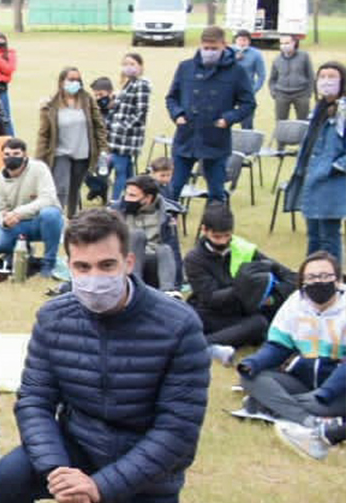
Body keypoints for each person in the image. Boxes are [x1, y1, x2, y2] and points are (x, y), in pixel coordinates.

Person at [0, 208, 208, 503]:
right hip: (78, 444)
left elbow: (176, 433)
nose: (94, 277)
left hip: (145, 471)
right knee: (7, 477)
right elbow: (34, 400)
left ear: (129, 262)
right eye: (82, 267)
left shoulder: (180, 326)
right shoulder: (54, 318)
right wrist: (57, 470)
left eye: (106, 265)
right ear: (67, 265)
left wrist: (100, 486)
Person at [234, 252, 344, 425]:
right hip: (302, 382)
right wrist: (254, 363)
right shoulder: (295, 302)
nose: (318, 282)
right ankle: (310, 420)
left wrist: (326, 393)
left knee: (317, 401)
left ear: (338, 280)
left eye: (325, 276)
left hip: (337, 390)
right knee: (251, 378)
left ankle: (269, 405)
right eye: (311, 277)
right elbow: (279, 346)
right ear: (302, 282)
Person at [183, 203, 293, 358]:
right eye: (217, 236)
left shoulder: (242, 249)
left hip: (244, 309)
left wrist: (272, 299)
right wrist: (242, 287)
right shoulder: (194, 259)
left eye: (227, 236)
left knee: (271, 315)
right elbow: (210, 298)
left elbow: (289, 277)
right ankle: (201, 345)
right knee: (258, 324)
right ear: (204, 230)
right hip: (211, 313)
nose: (222, 242)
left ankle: (212, 343)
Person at [164, 26, 253, 205]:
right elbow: (172, 97)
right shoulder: (185, 67)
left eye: (214, 49)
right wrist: (177, 115)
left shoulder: (237, 72)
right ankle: (167, 226)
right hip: (187, 136)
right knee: (173, 188)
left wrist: (228, 119)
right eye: (206, 48)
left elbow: (248, 103)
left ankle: (216, 227)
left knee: (216, 191)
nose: (209, 52)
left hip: (215, 138)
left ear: (224, 45)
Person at [284, 61, 345, 261]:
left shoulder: (343, 112)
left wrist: (334, 167)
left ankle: (332, 280)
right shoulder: (319, 109)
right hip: (311, 179)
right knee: (314, 236)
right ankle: (311, 276)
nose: (326, 82)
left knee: (329, 237)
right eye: (322, 77)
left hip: (331, 182)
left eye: (332, 77)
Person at [0, 136, 65, 281]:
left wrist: (18, 212)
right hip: (17, 224)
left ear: (25, 155)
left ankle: (49, 262)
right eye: (7, 154)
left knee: (51, 214)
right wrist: (5, 222)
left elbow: (48, 198)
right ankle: (23, 252)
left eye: (16, 154)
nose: (11, 158)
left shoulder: (39, 168)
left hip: (41, 220)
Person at [34, 66, 107, 217]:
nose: (75, 83)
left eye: (78, 80)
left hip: (82, 153)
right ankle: (56, 219)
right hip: (61, 152)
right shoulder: (51, 104)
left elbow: (98, 125)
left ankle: (73, 219)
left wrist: (102, 149)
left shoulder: (87, 100)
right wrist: (39, 159)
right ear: (61, 82)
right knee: (61, 188)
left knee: (75, 189)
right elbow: (44, 134)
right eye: (71, 79)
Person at [121, 175, 182, 292]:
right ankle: (134, 285)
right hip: (126, 260)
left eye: (132, 196)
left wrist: (178, 281)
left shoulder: (166, 215)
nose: (127, 199)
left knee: (165, 249)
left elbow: (174, 250)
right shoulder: (118, 211)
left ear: (148, 198)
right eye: (126, 194)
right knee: (136, 235)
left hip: (154, 260)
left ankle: (169, 292)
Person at [104, 52, 151, 203]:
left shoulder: (142, 85)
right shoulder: (128, 84)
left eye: (132, 64)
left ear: (140, 66)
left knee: (120, 170)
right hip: (116, 137)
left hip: (127, 137)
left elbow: (140, 112)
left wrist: (121, 127)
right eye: (125, 64)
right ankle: (135, 198)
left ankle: (116, 202)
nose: (128, 68)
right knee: (127, 171)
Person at [269, 35, 315, 123]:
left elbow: (310, 75)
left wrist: (308, 92)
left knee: (304, 121)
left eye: (287, 43)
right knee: (281, 121)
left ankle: (303, 137)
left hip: (301, 94)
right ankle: (282, 137)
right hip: (281, 94)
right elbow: (272, 78)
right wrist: (274, 92)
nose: (284, 46)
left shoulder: (304, 56)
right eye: (281, 43)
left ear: (294, 43)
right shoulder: (277, 59)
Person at [232, 29, 268, 130]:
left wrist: (253, 90)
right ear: (236, 40)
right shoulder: (228, 52)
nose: (242, 43)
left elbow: (261, 75)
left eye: (245, 40)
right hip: (229, 90)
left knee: (247, 122)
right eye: (240, 40)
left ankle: (247, 143)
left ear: (249, 41)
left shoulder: (256, 54)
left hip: (246, 92)